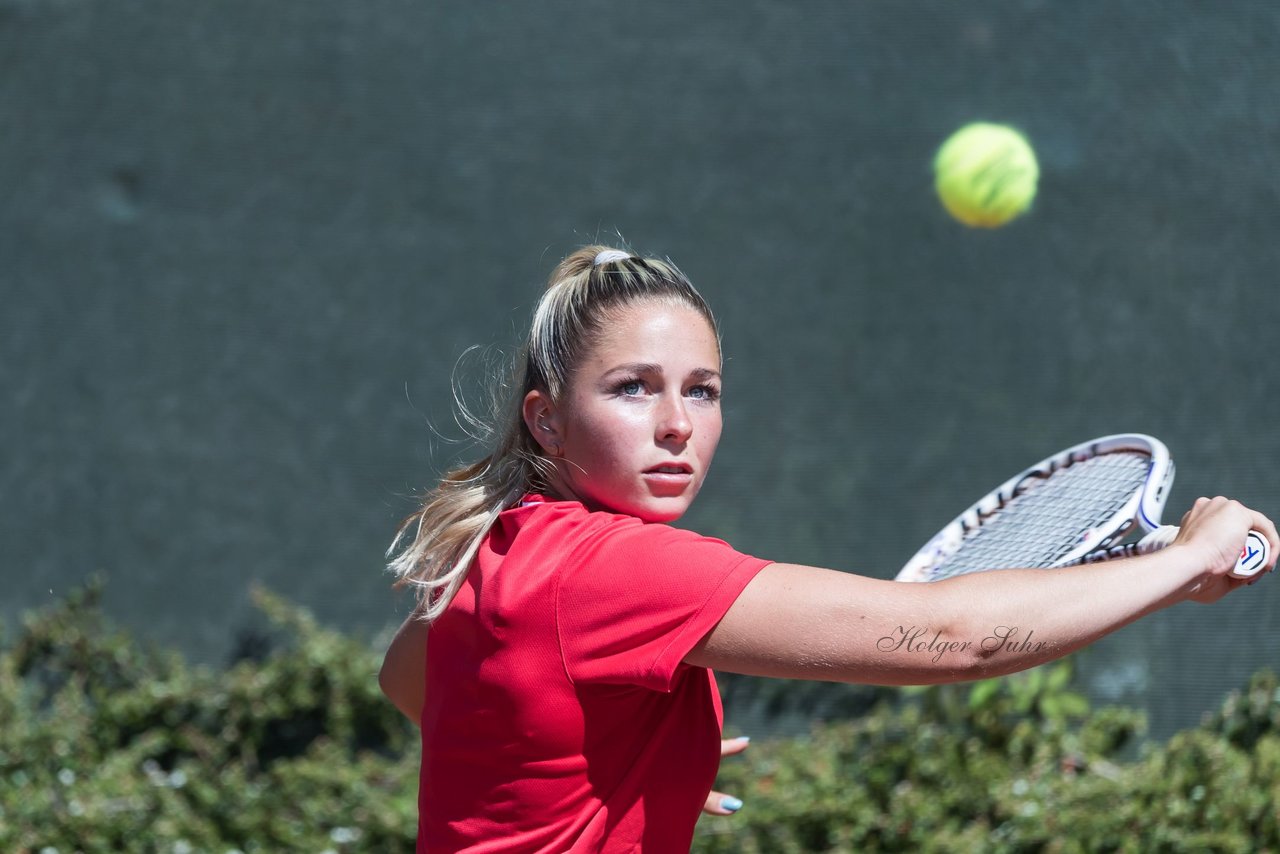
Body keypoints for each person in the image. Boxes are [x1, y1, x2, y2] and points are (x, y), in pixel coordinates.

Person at [379, 244, 1276, 853]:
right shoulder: (614, 569)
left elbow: (409, 680)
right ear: (547, 419)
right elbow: (957, 640)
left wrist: (615, 770)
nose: (676, 426)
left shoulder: (494, 548)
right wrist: (1182, 563)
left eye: (703, 390)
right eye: (631, 389)